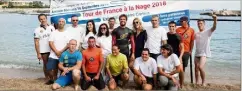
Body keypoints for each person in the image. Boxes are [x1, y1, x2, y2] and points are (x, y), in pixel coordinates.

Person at [194, 15, 217, 86]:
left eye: (201, 23)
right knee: (196, 68)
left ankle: (203, 82)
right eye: (198, 23)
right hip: (197, 53)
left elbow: (214, 27)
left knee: (200, 67)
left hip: (204, 53)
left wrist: (215, 19)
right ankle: (197, 82)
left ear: (204, 24)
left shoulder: (208, 31)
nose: (199, 25)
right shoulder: (196, 34)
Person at [46, 18, 69, 84]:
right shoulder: (53, 32)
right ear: (57, 23)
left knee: (63, 69)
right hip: (53, 55)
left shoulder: (67, 33)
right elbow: (50, 43)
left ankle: (60, 80)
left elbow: (68, 45)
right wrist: (56, 51)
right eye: (59, 21)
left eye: (62, 21)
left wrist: (61, 52)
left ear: (64, 23)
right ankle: (52, 79)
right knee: (49, 68)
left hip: (64, 55)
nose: (61, 22)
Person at [34, 13, 55, 84]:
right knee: (46, 65)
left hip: (52, 49)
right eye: (41, 19)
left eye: (44, 18)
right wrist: (38, 53)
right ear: (39, 20)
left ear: (46, 19)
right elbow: (36, 42)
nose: (43, 20)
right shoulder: (37, 30)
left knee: (53, 64)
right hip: (43, 50)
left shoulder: (52, 27)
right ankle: (47, 78)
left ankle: (53, 77)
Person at [167, 21, 185, 88]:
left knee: (181, 70)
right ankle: (169, 82)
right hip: (168, 55)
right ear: (168, 27)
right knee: (168, 69)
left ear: (175, 27)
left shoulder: (179, 36)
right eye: (170, 26)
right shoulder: (166, 35)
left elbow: (183, 48)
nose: (171, 28)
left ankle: (181, 84)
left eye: (173, 26)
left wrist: (180, 57)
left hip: (177, 55)